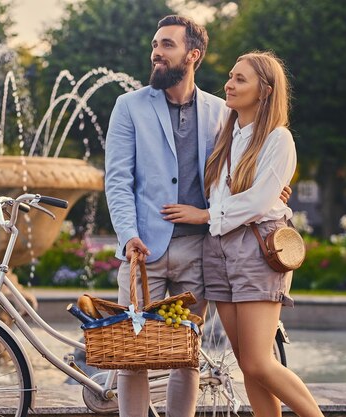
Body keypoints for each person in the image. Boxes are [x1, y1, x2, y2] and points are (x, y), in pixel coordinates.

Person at [162, 51, 324, 417]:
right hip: (217, 249)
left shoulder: (278, 139)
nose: (229, 84)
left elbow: (257, 201)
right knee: (249, 363)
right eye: (231, 76)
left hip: (257, 248)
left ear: (264, 91)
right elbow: (227, 192)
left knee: (257, 363)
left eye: (240, 79)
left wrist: (205, 215)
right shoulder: (227, 135)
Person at [104, 14, 226, 417]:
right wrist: (127, 236)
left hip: (198, 250)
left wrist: (272, 186)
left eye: (167, 45)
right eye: (155, 45)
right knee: (132, 356)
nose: (156, 52)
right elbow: (117, 180)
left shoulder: (222, 112)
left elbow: (240, 174)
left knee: (185, 356)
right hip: (141, 252)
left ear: (193, 54)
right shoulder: (129, 106)